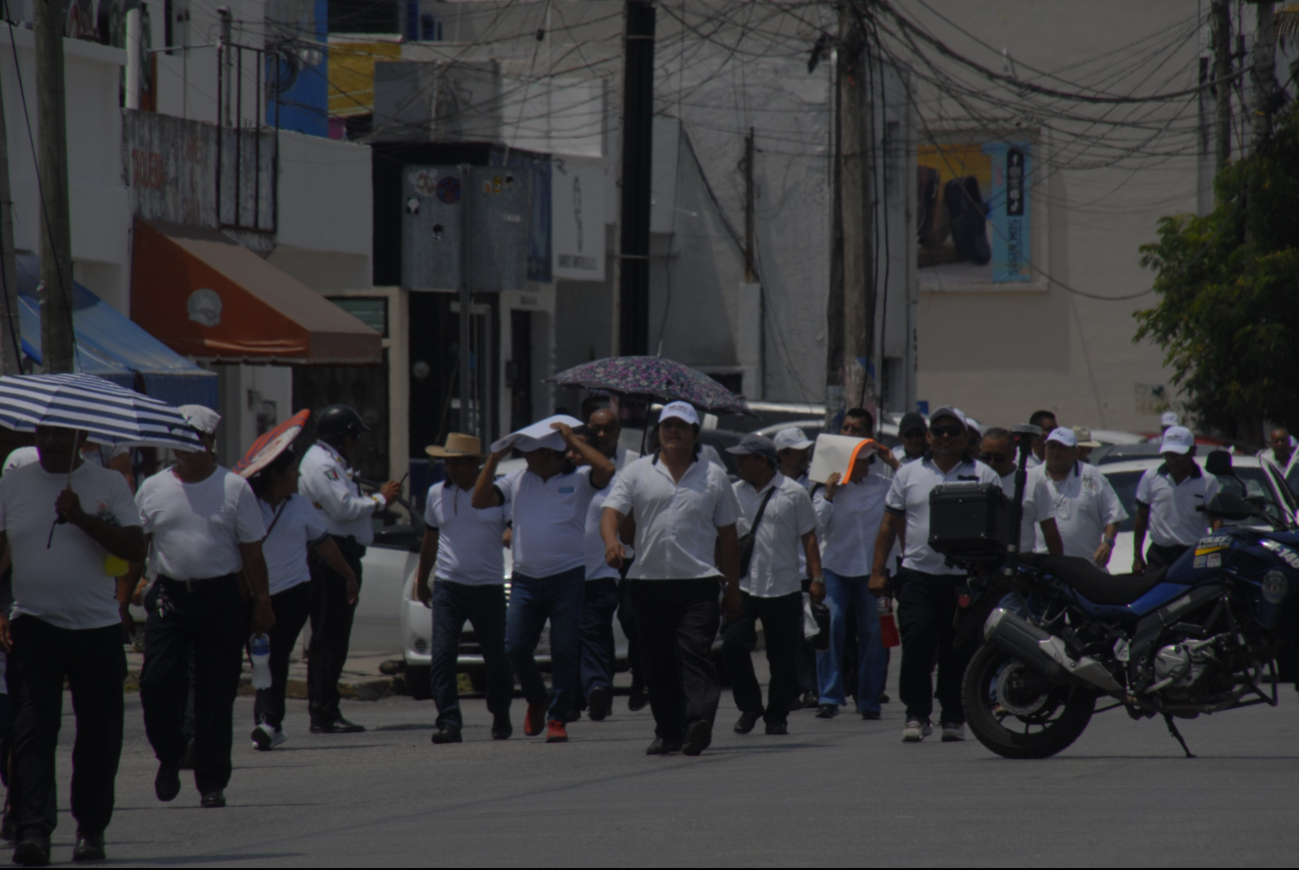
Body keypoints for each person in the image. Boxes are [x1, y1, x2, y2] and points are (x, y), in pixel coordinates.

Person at [0, 427, 144, 865]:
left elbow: (135, 546)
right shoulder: (12, 484)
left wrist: (82, 517)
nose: (53, 442)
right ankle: (33, 831)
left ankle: (92, 828)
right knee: (32, 729)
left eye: (63, 434)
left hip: (96, 627)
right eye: (45, 433)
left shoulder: (109, 484)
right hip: (33, 625)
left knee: (99, 735)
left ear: (81, 437)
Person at [136, 411, 274, 810]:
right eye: (180, 437)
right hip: (170, 598)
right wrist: (122, 595)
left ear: (212, 441)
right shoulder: (153, 488)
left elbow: (251, 551)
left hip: (220, 598)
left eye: (197, 437)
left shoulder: (234, 488)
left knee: (216, 692)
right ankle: (170, 752)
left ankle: (211, 780)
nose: (188, 445)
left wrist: (262, 602)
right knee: (156, 682)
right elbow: (137, 545)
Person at [601, 401, 741, 757]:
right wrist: (611, 541)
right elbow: (610, 513)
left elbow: (728, 536)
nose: (674, 431)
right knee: (657, 661)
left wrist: (734, 590)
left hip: (699, 583)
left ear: (695, 435)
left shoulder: (714, 476)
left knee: (694, 653)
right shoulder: (636, 472)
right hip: (648, 582)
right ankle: (668, 731)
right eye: (667, 426)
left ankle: (697, 723)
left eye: (682, 426)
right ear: (657, 433)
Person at [472, 416, 614, 744]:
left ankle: (558, 717)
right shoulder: (517, 479)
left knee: (564, 650)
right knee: (515, 647)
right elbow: (479, 500)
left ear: (551, 455)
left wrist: (572, 439)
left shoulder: (578, 480)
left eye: (532, 452)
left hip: (567, 577)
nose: (527, 458)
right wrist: (494, 458)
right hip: (525, 579)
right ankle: (538, 697)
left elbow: (606, 469)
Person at [870, 406, 1001, 744]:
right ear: (927, 436)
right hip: (917, 574)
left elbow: (999, 527)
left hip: (965, 577)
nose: (945, 437)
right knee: (916, 641)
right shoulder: (907, 474)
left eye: (953, 431)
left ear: (965, 437)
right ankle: (916, 714)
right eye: (938, 431)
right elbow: (889, 525)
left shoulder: (984, 475)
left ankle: (953, 717)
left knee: (957, 648)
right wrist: (877, 571)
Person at [241, 446, 359, 752]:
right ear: (275, 475)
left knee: (274, 656)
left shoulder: (301, 506)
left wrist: (348, 575)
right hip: (253, 595)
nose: (299, 476)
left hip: (293, 594)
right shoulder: (246, 503)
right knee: (260, 659)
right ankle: (270, 723)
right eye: (294, 470)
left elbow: (325, 544)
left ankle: (267, 722)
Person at [298, 405, 401, 735]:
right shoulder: (321, 463)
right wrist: (381, 501)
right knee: (329, 637)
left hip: (341, 554)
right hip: (330, 557)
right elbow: (342, 508)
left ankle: (326, 708)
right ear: (342, 437)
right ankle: (324, 712)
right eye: (355, 437)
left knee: (333, 637)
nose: (357, 444)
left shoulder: (331, 462)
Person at [416, 434, 513, 744]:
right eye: (448, 462)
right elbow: (430, 540)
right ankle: (448, 721)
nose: (451, 469)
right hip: (448, 588)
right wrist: (422, 581)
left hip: (488, 588)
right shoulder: (435, 493)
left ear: (476, 464)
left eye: (458, 463)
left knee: (497, 658)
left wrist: (510, 530)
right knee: (442, 655)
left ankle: (500, 713)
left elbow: (512, 525)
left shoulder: (498, 493)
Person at [722, 435, 821, 737]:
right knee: (733, 645)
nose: (737, 464)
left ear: (762, 461)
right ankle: (750, 706)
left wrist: (817, 578)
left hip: (783, 585)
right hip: (743, 586)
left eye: (743, 458)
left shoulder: (793, 493)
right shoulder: (732, 493)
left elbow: (809, 537)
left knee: (781, 658)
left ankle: (777, 716)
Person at [812, 430, 895, 722]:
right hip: (836, 567)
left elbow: (908, 487)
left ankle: (869, 699)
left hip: (871, 571)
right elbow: (816, 527)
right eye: (859, 461)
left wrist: (893, 461)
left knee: (873, 634)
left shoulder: (882, 485)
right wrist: (829, 495)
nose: (865, 465)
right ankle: (829, 696)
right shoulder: (828, 488)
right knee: (832, 624)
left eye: (867, 460)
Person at [575, 409, 635, 722]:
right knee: (593, 627)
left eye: (608, 429)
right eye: (595, 429)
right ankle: (596, 689)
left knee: (632, 619)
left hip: (629, 557)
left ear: (618, 430)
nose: (602, 435)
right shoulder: (576, 463)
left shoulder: (635, 462)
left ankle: (641, 677)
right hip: (590, 562)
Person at [1031, 429, 1128, 568]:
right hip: (1042, 568)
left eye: (1062, 447)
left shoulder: (1091, 474)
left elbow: (1114, 514)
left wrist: (1108, 543)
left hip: (1085, 567)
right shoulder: (1032, 477)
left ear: (1075, 452)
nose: (1055, 451)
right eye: (1052, 446)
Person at [1132, 426, 1220, 573]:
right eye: (1168, 456)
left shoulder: (1208, 481)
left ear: (1193, 451)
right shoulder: (1151, 476)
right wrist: (1137, 555)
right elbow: (1141, 516)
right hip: (1159, 556)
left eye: (1179, 456)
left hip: (1194, 555)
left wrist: (1216, 553)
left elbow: (1216, 519)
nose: (1173, 462)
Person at [773, 427, 818, 708]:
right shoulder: (771, 485)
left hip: (804, 570)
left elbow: (814, 533)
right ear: (783, 454)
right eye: (799, 450)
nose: (805, 455)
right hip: (778, 571)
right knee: (784, 635)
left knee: (807, 633)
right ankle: (787, 690)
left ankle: (810, 688)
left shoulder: (814, 482)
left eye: (806, 449)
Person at [978, 428, 1065, 557]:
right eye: (986, 457)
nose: (992, 463)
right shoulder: (974, 478)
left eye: (999, 457)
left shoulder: (1032, 479)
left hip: (1021, 562)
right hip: (984, 561)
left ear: (1013, 454)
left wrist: (1060, 566)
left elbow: (1050, 531)